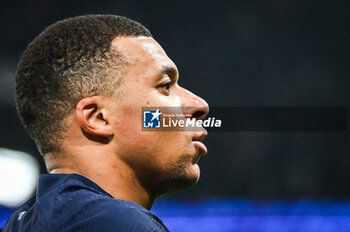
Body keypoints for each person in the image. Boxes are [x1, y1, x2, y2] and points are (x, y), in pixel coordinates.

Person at [2, 15, 209, 231]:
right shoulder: (117, 223)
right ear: (98, 118)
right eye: (166, 85)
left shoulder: (22, 223)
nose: (199, 105)